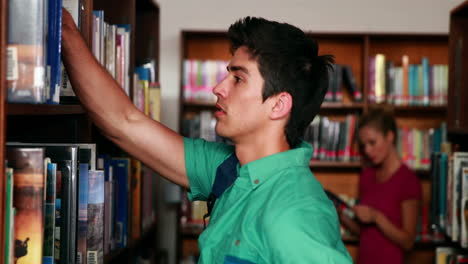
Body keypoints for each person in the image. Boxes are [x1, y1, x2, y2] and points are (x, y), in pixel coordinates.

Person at [61, 9, 352, 263]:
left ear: (278, 105)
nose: (218, 88)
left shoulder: (295, 213)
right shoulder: (226, 170)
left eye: (238, 78)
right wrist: (67, 32)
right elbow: (124, 123)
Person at [339, 108, 422, 264]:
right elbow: (366, 233)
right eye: (363, 145)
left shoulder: (408, 181)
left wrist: (376, 217)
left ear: (390, 136)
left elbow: (408, 242)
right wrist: (341, 215)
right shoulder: (367, 176)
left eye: (372, 142)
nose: (368, 150)